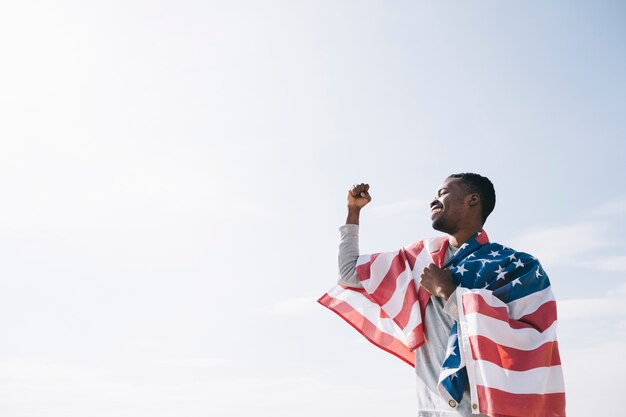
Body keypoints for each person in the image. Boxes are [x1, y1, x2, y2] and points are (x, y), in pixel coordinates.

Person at [319, 173, 565, 417]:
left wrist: (451, 294)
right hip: (432, 409)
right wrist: (353, 212)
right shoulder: (418, 260)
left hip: (489, 410)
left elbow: (532, 340)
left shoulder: (518, 266)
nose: (432, 201)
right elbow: (348, 273)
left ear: (473, 199)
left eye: (443, 193)